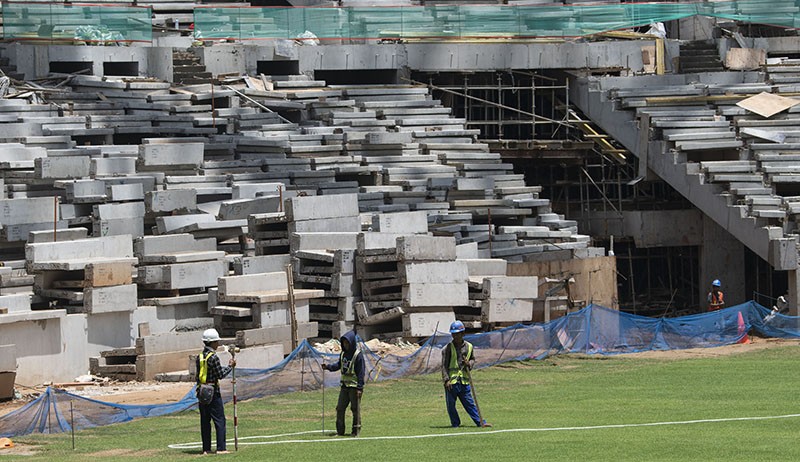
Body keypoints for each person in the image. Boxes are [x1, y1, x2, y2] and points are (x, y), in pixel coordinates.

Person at [441, 321, 491, 428]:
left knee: (470, 403)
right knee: (451, 405)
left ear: (463, 333)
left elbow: (473, 359)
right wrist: (446, 380)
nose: (456, 336)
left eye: (458, 333)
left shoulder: (469, 347)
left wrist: (469, 364)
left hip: (464, 381)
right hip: (452, 381)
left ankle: (480, 422)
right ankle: (455, 424)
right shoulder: (448, 348)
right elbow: (444, 365)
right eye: (453, 334)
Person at [196, 328, 235, 455]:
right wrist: (230, 366)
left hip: (202, 391)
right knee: (219, 420)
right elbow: (220, 374)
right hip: (213, 392)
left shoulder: (200, 357)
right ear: (212, 343)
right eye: (216, 342)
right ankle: (221, 448)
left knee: (205, 422)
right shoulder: (213, 358)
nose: (218, 344)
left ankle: (206, 449)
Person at [322, 330, 365, 437]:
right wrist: (328, 367)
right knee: (340, 408)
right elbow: (338, 365)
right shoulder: (343, 354)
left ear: (351, 343)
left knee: (355, 409)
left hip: (354, 387)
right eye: (344, 343)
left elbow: (361, 373)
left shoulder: (357, 355)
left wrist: (360, 388)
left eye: (347, 343)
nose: (345, 345)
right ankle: (340, 431)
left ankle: (355, 431)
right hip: (344, 386)